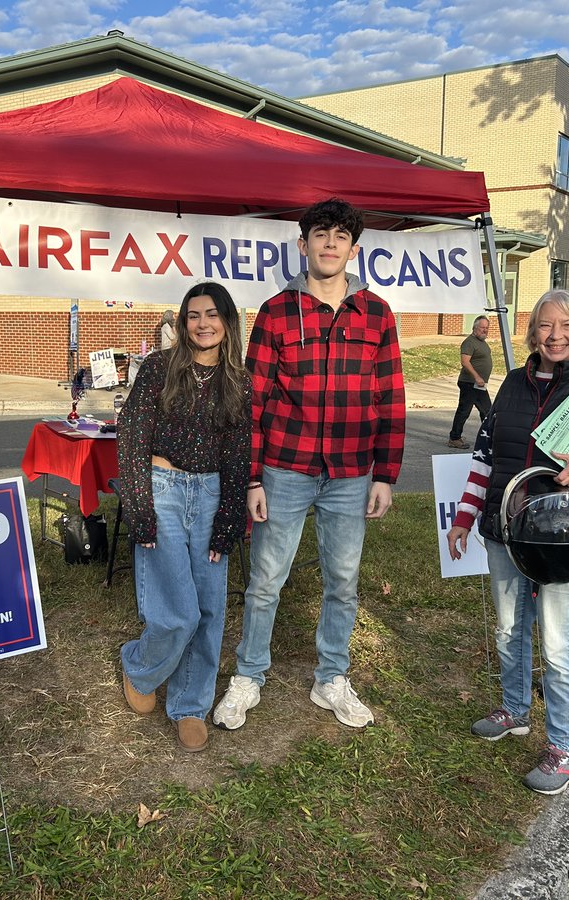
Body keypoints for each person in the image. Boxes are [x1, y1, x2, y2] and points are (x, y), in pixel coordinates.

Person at [212, 198, 406, 731]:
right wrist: (252, 475)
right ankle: (249, 676)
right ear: (303, 245)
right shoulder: (275, 313)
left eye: (339, 237)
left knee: (342, 581)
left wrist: (386, 474)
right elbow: (251, 403)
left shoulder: (378, 314)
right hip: (284, 468)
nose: (328, 244)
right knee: (267, 580)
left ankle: (332, 678)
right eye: (319, 235)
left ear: (353, 249)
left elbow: (390, 398)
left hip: (351, 472)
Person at [445, 289, 569, 795]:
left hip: (564, 541)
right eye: (545, 326)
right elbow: (485, 459)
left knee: (558, 645)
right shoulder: (511, 385)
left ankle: (564, 749)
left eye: (567, 326)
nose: (555, 336)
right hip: (507, 533)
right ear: (532, 333)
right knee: (510, 630)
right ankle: (514, 710)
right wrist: (466, 517)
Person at [118, 282, 252, 752]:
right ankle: (140, 666)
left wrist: (230, 517)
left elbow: (238, 454)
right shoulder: (159, 368)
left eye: (212, 314)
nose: (203, 323)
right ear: (182, 322)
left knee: (210, 608)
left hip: (213, 492)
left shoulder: (239, 378)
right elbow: (132, 436)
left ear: (227, 321)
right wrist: (139, 506)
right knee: (177, 611)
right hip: (164, 489)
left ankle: (191, 704)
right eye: (193, 315)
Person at [447, 315, 493, 449]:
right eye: (482, 328)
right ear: (474, 328)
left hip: (479, 384)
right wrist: (477, 377)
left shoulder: (482, 342)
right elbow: (465, 361)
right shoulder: (469, 342)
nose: (485, 330)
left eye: (487, 328)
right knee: (464, 410)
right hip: (469, 383)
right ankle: (454, 438)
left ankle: (488, 438)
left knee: (487, 411)